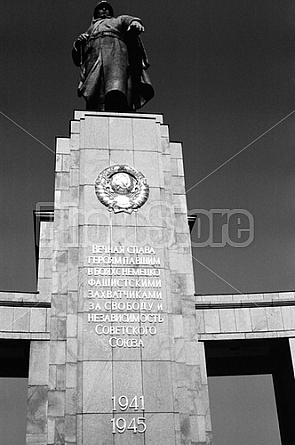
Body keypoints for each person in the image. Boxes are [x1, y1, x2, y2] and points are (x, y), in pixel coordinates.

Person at [72, 1, 154, 112]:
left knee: (116, 83)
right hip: (94, 56)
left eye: (107, 8)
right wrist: (78, 44)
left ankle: (119, 104)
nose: (104, 10)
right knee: (95, 89)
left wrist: (135, 23)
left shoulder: (117, 20)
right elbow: (78, 59)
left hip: (116, 51)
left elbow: (129, 20)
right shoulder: (90, 29)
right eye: (101, 8)